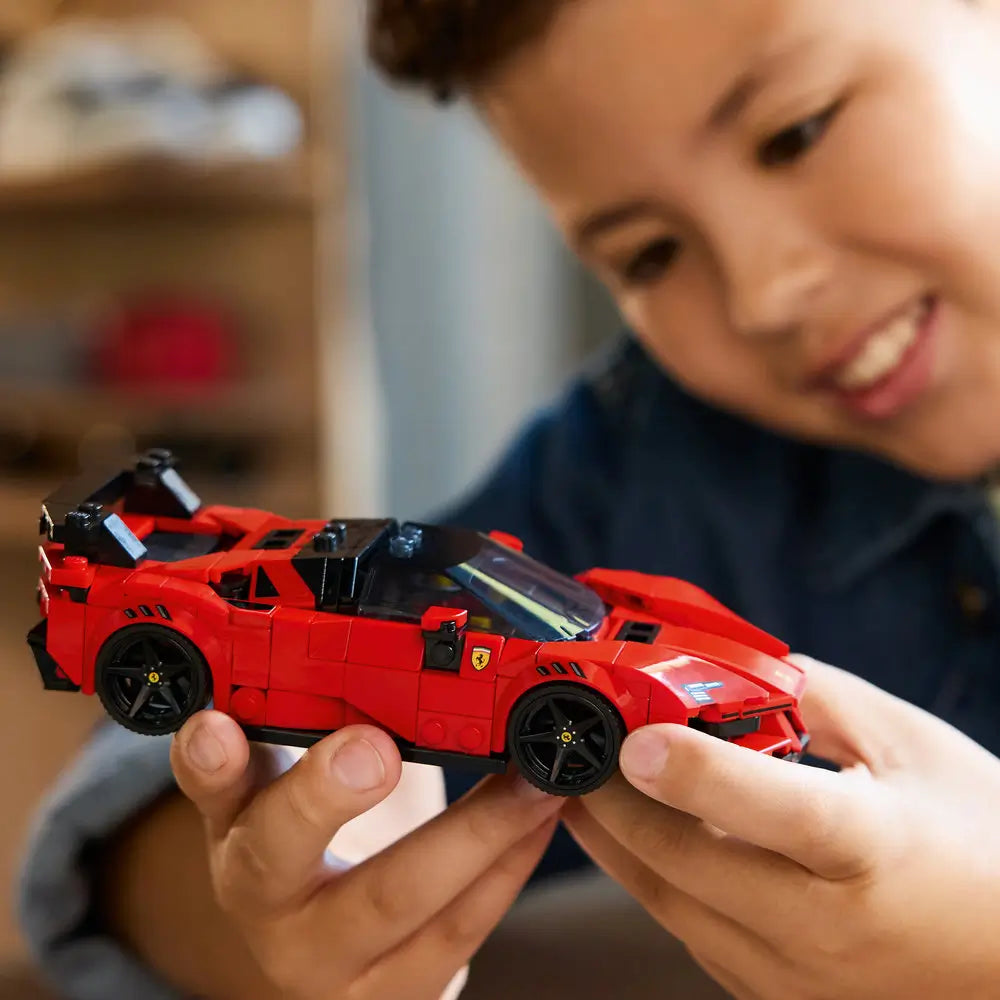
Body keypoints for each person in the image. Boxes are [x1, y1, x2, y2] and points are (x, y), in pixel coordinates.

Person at [17, 0, 1000, 996]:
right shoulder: (643, 456)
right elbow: (122, 840)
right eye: (646, 253)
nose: (763, 292)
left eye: (795, 130)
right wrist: (282, 902)